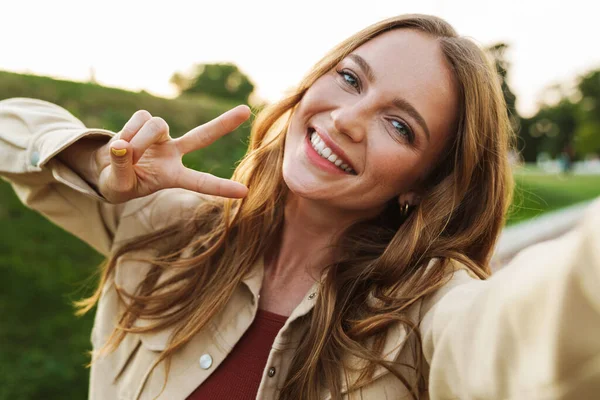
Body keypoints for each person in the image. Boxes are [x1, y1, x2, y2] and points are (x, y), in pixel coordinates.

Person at [0, 14, 598, 400]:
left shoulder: (426, 316)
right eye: (350, 79)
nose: (346, 120)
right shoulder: (169, 222)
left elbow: (529, 337)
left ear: (423, 182)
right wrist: (98, 163)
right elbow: (10, 126)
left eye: (399, 125)